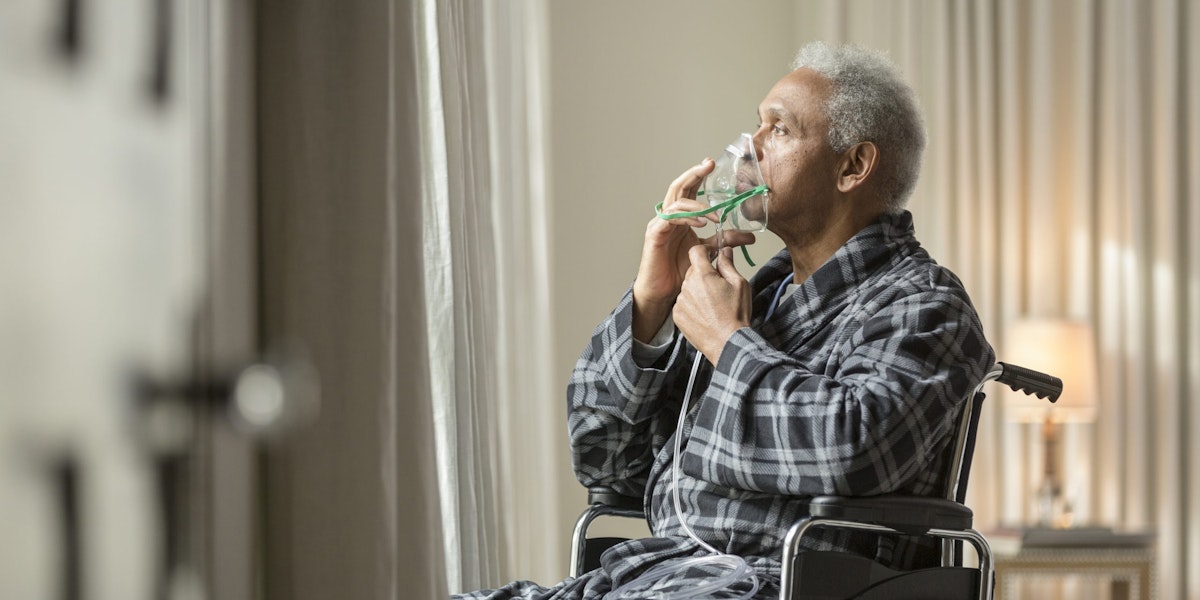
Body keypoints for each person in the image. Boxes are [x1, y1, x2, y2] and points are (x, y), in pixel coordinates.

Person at [457, 41, 993, 600]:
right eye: (757, 125)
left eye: (779, 130)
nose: (751, 146)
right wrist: (652, 302)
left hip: (779, 583)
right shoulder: (750, 294)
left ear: (852, 166)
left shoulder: (924, 306)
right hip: (656, 575)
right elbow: (605, 460)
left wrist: (727, 342)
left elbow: (852, 449)